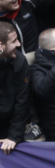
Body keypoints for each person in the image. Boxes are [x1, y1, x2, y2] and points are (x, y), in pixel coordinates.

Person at [0, 22, 27, 154]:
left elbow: (22, 100)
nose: (18, 44)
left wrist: (13, 136)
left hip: (9, 124)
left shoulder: (19, 61)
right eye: (14, 41)